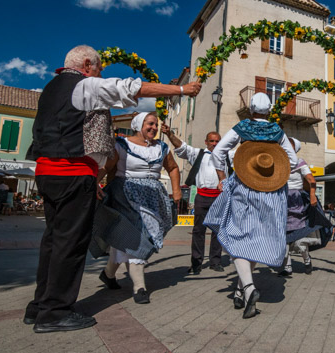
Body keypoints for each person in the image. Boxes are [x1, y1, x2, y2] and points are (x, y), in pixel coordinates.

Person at [24, 44, 200, 333]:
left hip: (47, 171)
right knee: (70, 244)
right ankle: (54, 312)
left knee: (53, 241)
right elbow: (131, 88)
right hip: (72, 172)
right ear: (86, 64)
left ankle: (39, 306)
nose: (101, 72)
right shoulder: (84, 86)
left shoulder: (52, 88)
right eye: (98, 67)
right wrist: (182, 91)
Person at [204, 93, 297, 319]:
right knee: (254, 239)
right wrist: (275, 173)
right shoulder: (277, 131)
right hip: (271, 190)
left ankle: (248, 288)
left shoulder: (242, 126)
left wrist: (223, 176)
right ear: (269, 110)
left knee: (237, 236)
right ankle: (240, 291)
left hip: (245, 185)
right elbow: (292, 161)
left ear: (251, 108)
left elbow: (218, 152)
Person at [97, 112, 181, 304]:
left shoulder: (161, 147)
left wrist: (176, 190)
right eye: (150, 124)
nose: (154, 128)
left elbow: (173, 168)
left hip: (153, 196)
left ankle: (108, 274)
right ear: (138, 125)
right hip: (125, 194)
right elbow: (106, 167)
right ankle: (139, 287)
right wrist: (94, 182)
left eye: (156, 125)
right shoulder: (122, 145)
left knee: (126, 238)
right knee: (137, 236)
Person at [162, 126, 225, 275]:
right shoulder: (198, 154)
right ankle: (196, 263)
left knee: (218, 231)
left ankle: (215, 262)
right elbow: (181, 146)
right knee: (198, 231)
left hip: (219, 197)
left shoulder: (226, 155)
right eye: (212, 141)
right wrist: (169, 134)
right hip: (202, 196)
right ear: (206, 142)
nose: (215, 144)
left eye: (217, 141)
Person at [279, 137, 319, 277]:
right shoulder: (279, 163)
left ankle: (307, 260)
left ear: (294, 148)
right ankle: (287, 267)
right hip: (281, 200)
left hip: (295, 200)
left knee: (299, 237)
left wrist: (312, 196)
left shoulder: (299, 161)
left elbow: (311, 180)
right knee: (282, 235)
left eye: (288, 145)